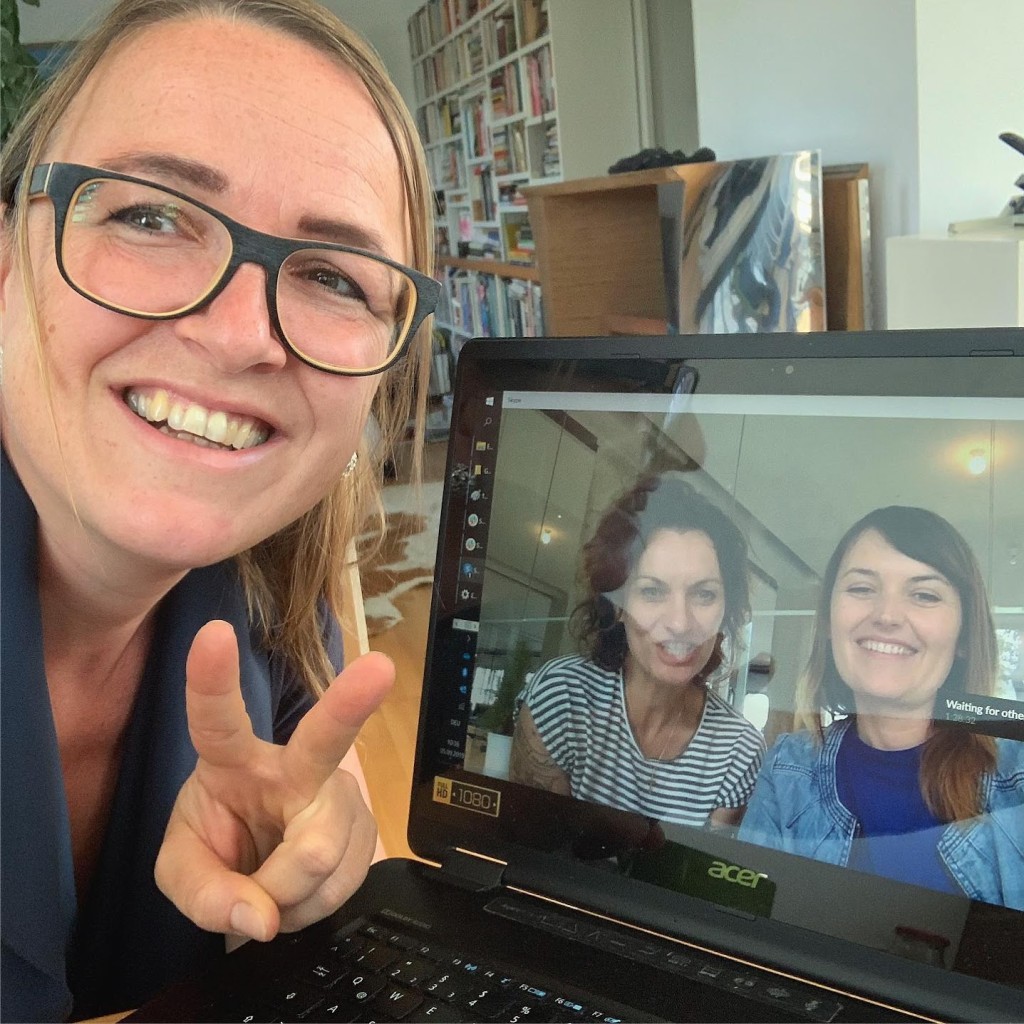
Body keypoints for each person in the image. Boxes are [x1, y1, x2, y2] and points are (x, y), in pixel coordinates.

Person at [0, 1, 439, 1019]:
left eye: (331, 276)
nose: (241, 334)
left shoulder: (273, 606)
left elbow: (306, 831)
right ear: (9, 260)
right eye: (150, 217)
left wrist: (315, 879)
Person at [738, 506, 1024, 909]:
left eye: (924, 595)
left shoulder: (1016, 779)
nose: (886, 616)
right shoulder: (788, 770)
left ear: (963, 636)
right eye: (861, 588)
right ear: (829, 622)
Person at [510, 472, 766, 828]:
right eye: (652, 591)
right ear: (618, 604)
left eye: (704, 594)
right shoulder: (563, 697)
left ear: (726, 611)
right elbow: (529, 847)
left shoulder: (739, 751)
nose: (680, 622)